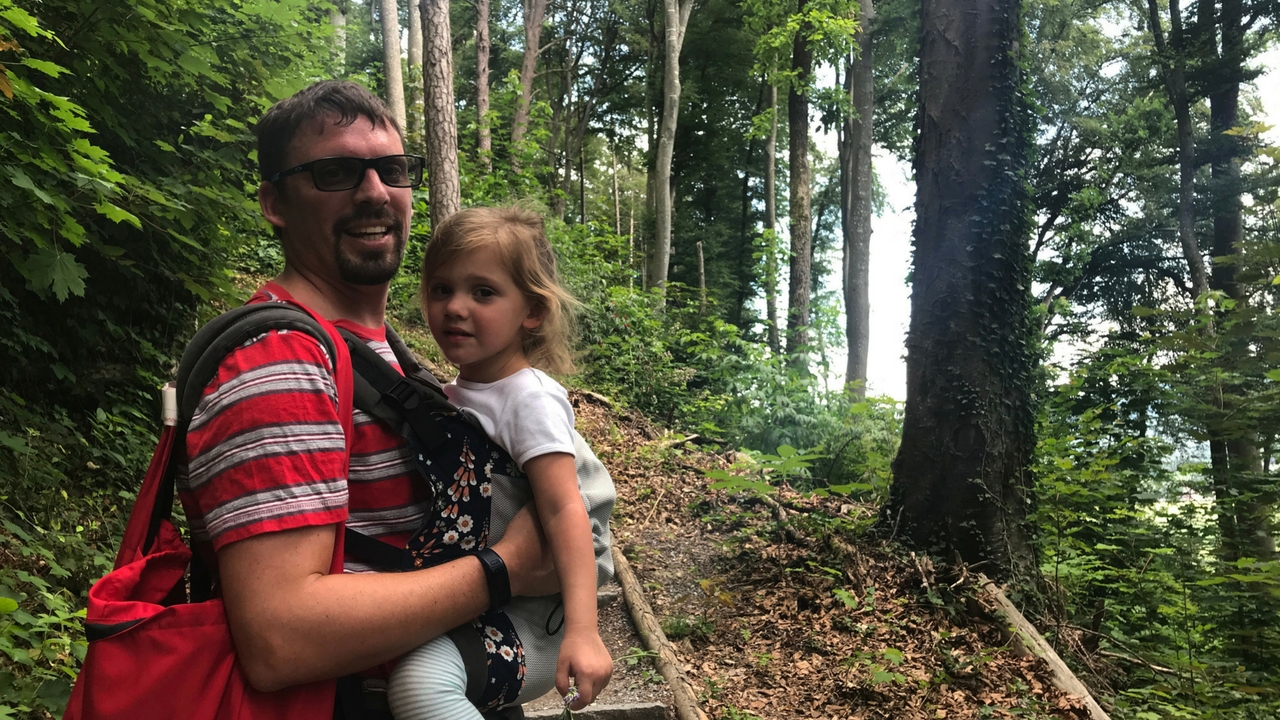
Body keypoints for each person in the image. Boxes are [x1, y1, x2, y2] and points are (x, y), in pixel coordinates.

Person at [175, 80, 565, 718]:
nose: (375, 193)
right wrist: (507, 567)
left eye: (392, 169)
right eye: (336, 173)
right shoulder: (282, 363)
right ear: (274, 202)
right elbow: (280, 638)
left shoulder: (381, 351)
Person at [386, 208, 614, 720]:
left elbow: (564, 509)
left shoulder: (527, 398)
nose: (455, 307)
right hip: (484, 604)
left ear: (531, 311)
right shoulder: (456, 396)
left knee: (420, 683)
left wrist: (584, 629)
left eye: (483, 292)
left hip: (533, 620)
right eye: (441, 289)